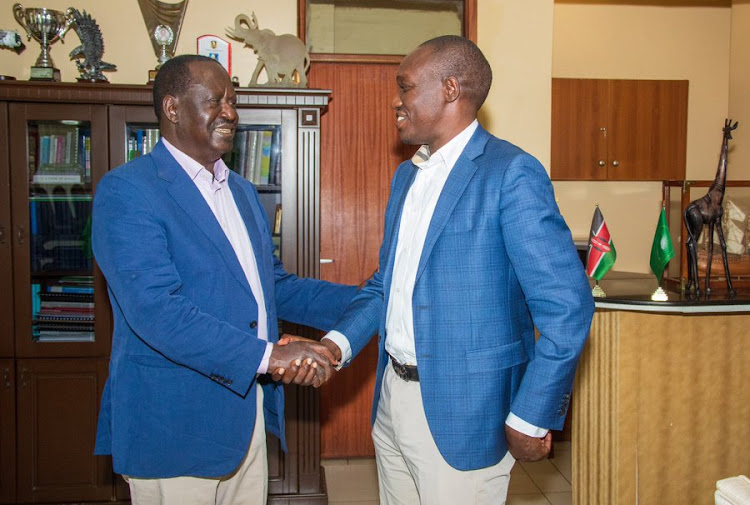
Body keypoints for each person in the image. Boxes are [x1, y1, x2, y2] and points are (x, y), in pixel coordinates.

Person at [320, 36, 595, 504]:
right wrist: (334, 345)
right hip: (391, 399)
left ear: (449, 89)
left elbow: (568, 308)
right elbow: (388, 284)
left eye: (405, 87)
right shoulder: (407, 176)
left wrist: (532, 414)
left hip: (468, 413)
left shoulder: (511, 173)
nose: (395, 100)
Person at [91, 54, 358, 505]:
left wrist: (369, 298)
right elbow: (159, 314)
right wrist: (272, 356)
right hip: (172, 428)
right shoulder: (128, 191)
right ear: (172, 108)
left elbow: (271, 286)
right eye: (216, 101)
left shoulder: (241, 191)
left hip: (244, 420)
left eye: (233, 101)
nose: (231, 113)